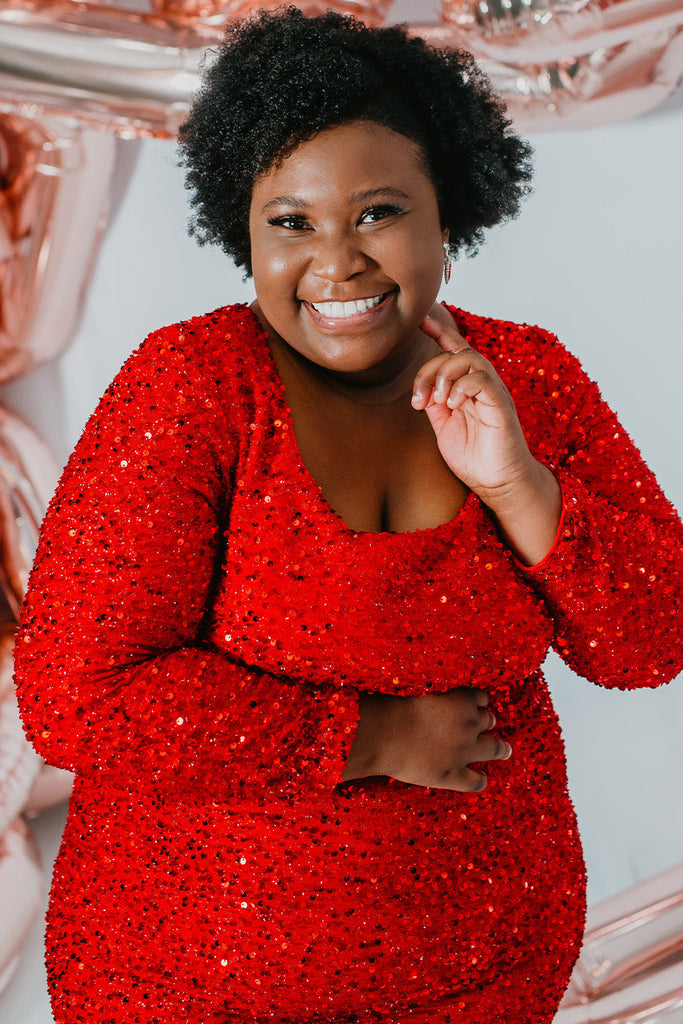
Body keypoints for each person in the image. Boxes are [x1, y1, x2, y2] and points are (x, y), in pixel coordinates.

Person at [14, 9, 682, 1024]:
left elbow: (651, 641)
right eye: (291, 221)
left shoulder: (526, 376)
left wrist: (516, 484)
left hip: (486, 971)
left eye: (376, 212)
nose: (336, 262)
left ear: (446, 209)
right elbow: (75, 698)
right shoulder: (190, 388)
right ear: (241, 227)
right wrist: (370, 737)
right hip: (186, 986)